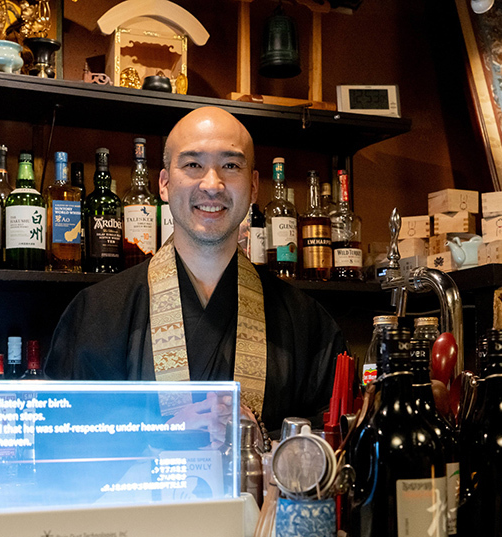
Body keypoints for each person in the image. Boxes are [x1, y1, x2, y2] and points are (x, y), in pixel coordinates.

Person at [45, 106, 346, 435]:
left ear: (255, 186)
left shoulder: (307, 324)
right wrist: (164, 438)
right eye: (193, 165)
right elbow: (64, 442)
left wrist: (259, 441)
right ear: (164, 184)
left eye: (230, 165)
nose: (213, 184)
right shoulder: (99, 314)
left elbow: (333, 442)